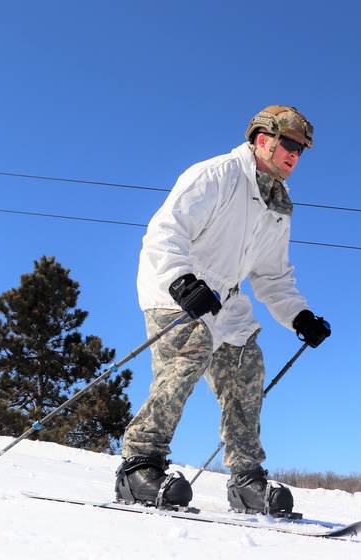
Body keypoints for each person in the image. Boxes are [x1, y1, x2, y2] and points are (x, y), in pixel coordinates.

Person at [115, 105, 331, 514]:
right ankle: (138, 465)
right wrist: (182, 280)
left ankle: (246, 480)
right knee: (188, 358)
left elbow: (272, 276)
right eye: (288, 144)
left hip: (226, 303)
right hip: (177, 289)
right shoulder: (215, 175)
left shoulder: (278, 207)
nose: (294, 156)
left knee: (248, 371)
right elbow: (165, 232)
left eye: (301, 150)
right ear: (261, 139)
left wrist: (299, 316)